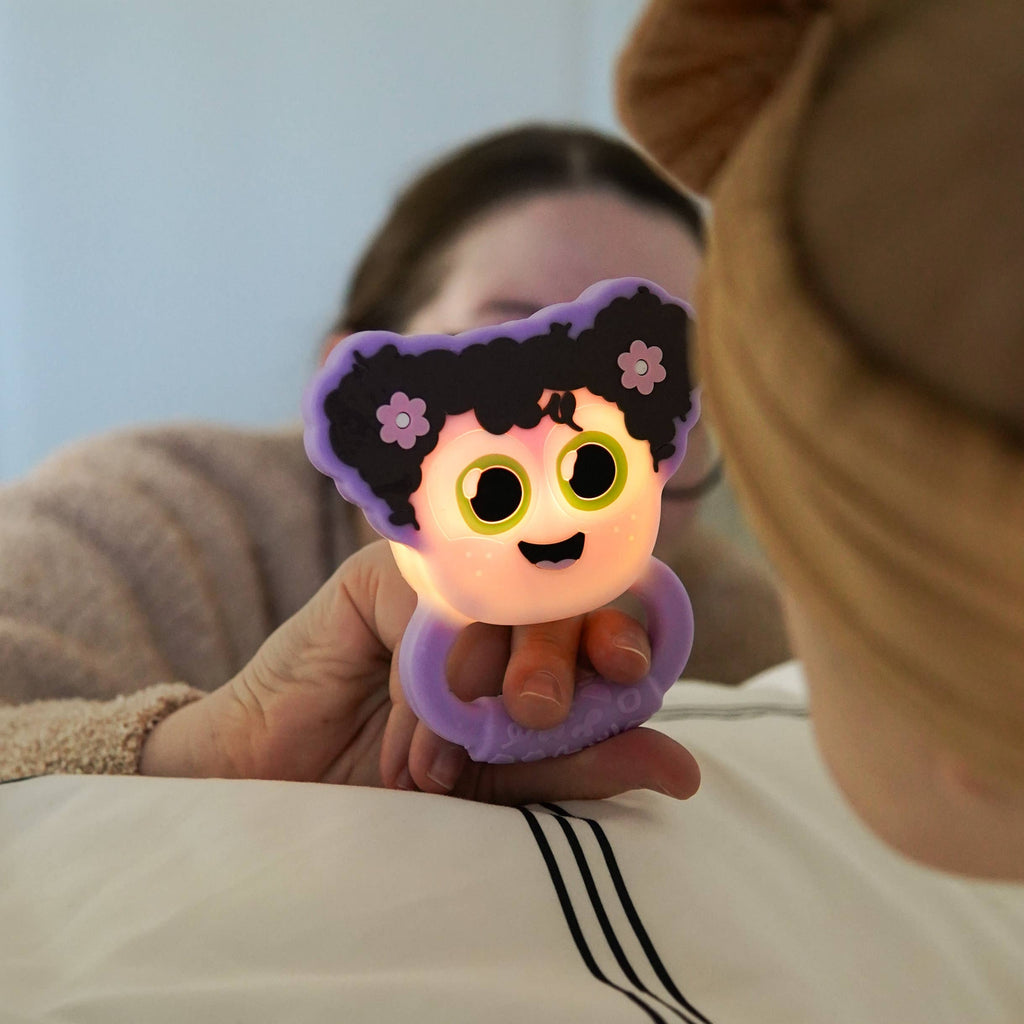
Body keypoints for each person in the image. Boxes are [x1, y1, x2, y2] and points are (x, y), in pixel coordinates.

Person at [0, 123, 787, 794]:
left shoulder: (742, 621)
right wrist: (215, 746)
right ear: (360, 392)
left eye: (639, 385)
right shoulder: (135, 521)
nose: (570, 423)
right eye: (507, 351)